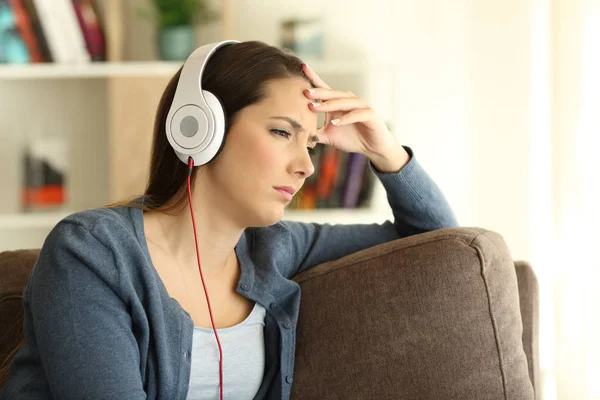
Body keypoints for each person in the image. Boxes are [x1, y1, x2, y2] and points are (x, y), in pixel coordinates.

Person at [0, 40, 458, 400]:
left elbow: (437, 244)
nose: (307, 166)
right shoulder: (91, 252)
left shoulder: (273, 247)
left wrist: (386, 151)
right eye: (282, 132)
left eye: (312, 144)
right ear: (198, 128)